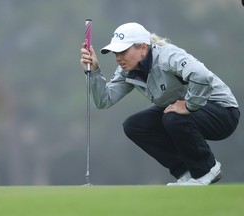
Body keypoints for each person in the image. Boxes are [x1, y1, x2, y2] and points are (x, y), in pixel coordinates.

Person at [80, 22, 240, 186]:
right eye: (115, 53)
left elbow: (202, 76)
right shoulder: (127, 71)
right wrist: (94, 72)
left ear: (143, 47)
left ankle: (206, 171)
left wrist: (188, 105)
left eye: (123, 51)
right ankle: (186, 172)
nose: (118, 58)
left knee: (172, 117)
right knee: (134, 126)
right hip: (185, 114)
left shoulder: (167, 56)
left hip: (222, 112)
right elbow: (104, 100)